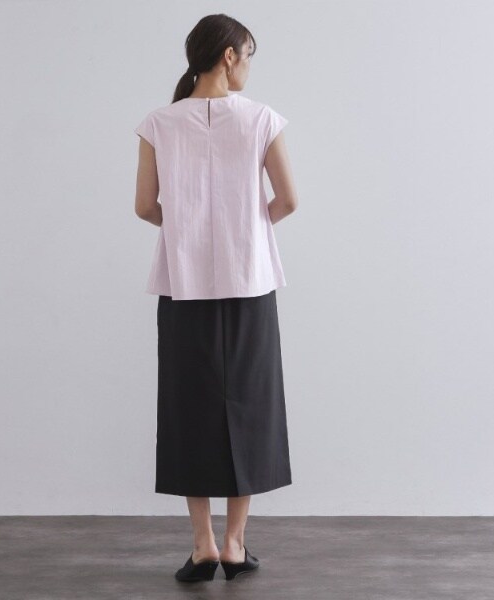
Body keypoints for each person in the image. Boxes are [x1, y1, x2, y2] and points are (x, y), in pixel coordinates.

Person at [133, 14, 298, 582]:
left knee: (189, 407)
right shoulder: (262, 119)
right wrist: (246, 230)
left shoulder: (158, 123)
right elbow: (288, 200)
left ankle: (202, 544)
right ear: (229, 55)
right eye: (248, 54)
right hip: (249, 281)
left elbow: (144, 207)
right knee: (250, 403)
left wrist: (188, 232)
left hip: (183, 285)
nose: (248, 65)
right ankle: (234, 543)